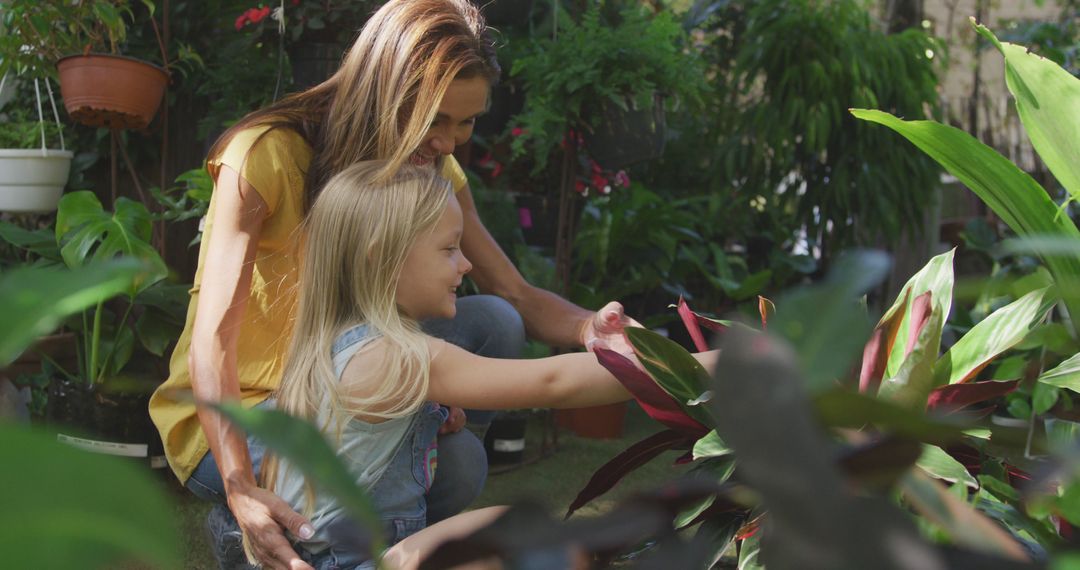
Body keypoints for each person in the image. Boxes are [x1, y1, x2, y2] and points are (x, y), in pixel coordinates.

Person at [148, 1, 638, 568]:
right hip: (240, 417)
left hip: (348, 384)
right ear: (386, 90)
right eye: (437, 120)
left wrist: (589, 329)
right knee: (457, 467)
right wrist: (239, 488)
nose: (451, 142)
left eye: (468, 121)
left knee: (492, 331)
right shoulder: (266, 154)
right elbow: (215, 342)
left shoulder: (428, 168)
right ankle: (260, 533)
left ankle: (394, 520)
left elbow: (515, 295)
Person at [264, 161, 718, 569]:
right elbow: (554, 382)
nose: (465, 264)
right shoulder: (396, 357)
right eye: (448, 249)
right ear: (382, 257)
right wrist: (711, 365)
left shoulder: (336, 343)